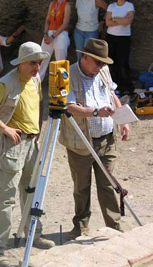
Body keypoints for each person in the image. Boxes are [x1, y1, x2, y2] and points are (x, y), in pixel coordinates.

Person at [0, 42, 55, 267]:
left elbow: (38, 104)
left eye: (39, 62)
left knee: (32, 192)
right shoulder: (7, 82)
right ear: (21, 63)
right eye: (33, 62)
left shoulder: (36, 79)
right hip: (12, 145)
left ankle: (33, 235)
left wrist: (37, 129)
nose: (37, 67)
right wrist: (4, 128)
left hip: (31, 143)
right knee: (5, 198)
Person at [59, 38, 129, 240]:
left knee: (108, 184)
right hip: (81, 142)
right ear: (86, 57)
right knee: (81, 186)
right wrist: (97, 112)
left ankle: (113, 228)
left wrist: (122, 118)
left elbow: (112, 94)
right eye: (98, 62)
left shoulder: (103, 71)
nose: (101, 67)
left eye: (103, 63)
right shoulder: (68, 74)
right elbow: (69, 107)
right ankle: (80, 226)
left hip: (106, 139)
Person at [105, 0, 135, 95]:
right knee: (111, 62)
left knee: (123, 63)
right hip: (111, 37)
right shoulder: (111, 6)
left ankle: (127, 88)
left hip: (124, 38)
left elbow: (128, 21)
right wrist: (121, 20)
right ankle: (114, 87)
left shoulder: (129, 6)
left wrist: (114, 19)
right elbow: (107, 22)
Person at [39, 0, 71, 81]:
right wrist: (45, 34)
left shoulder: (67, 5)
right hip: (49, 33)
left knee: (60, 61)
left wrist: (53, 36)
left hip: (61, 34)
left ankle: (61, 84)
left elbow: (65, 23)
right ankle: (37, 81)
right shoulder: (52, 4)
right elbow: (47, 20)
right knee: (43, 58)